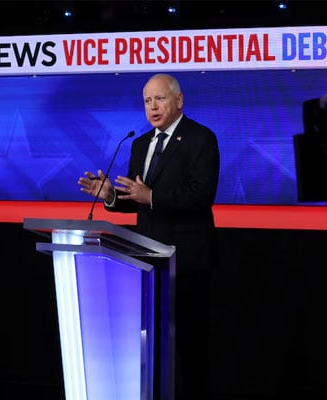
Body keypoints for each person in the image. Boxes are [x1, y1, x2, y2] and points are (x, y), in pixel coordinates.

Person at [77, 73, 220, 400]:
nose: (153, 107)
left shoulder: (201, 139)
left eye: (160, 99)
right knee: (150, 343)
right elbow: (135, 200)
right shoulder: (140, 144)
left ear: (178, 100)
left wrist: (152, 196)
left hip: (188, 261)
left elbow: (201, 195)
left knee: (190, 345)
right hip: (146, 260)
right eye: (147, 101)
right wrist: (111, 195)